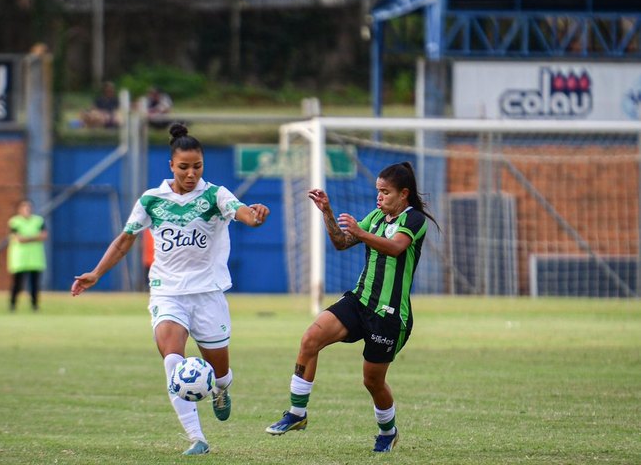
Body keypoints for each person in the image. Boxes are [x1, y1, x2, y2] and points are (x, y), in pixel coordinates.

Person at [71, 123, 269, 456]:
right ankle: (197, 438)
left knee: (220, 373)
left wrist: (257, 216)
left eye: (197, 166)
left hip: (207, 295)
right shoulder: (151, 200)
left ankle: (221, 389)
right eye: (184, 167)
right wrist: (96, 273)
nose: (191, 174)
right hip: (167, 293)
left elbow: (243, 214)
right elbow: (125, 240)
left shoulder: (214, 195)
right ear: (171, 166)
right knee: (173, 363)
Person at [265, 161, 438, 453]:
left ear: (404, 194)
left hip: (389, 315)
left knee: (372, 381)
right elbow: (341, 242)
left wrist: (360, 232)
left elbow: (395, 248)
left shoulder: (414, 220)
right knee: (310, 339)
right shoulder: (377, 217)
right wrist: (328, 213)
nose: (379, 198)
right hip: (359, 301)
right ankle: (297, 413)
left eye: (385, 192)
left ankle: (388, 431)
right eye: (377, 192)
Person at [7, 199, 48, 312]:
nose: (27, 210)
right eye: (24, 207)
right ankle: (12, 305)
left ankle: (35, 306)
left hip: (35, 258)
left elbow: (44, 236)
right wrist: (35, 237)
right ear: (19, 209)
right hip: (20, 258)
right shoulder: (15, 221)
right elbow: (18, 238)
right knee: (17, 284)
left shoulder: (38, 221)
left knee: (34, 285)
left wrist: (27, 238)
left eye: (29, 207)